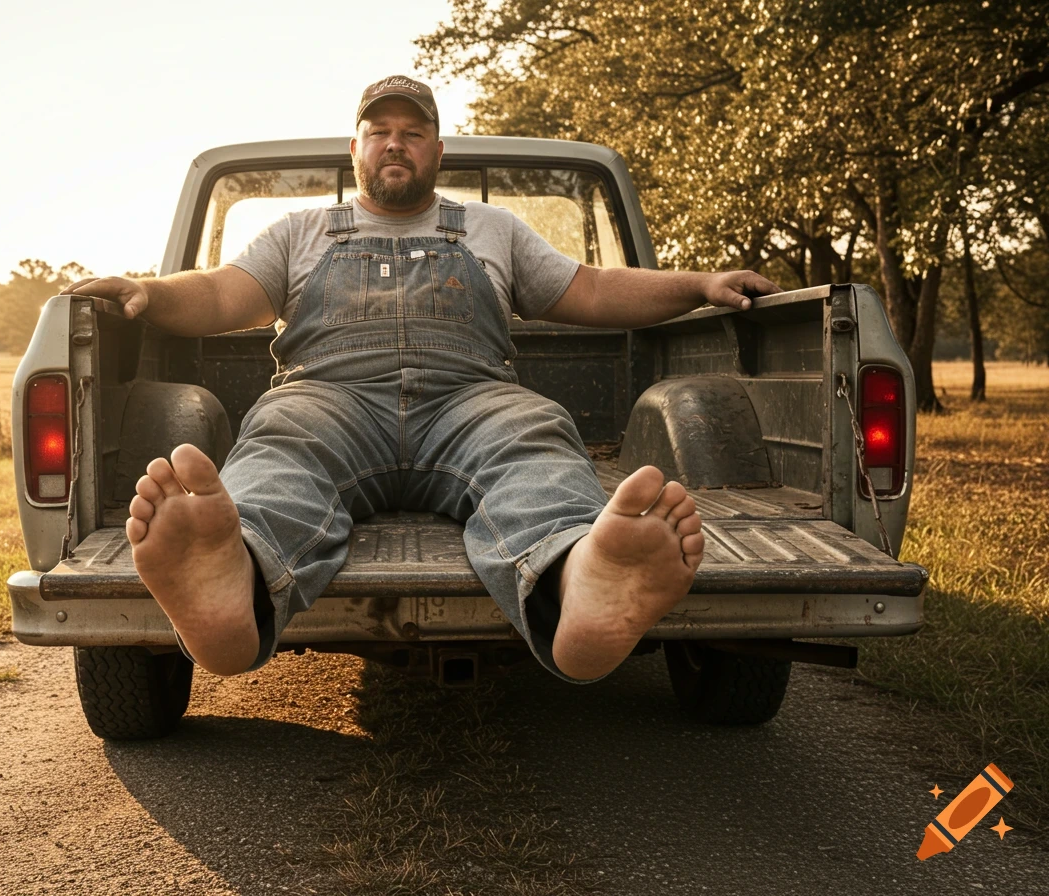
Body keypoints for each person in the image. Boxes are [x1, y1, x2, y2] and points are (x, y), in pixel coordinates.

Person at [60, 75, 781, 684]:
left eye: (412, 131)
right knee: (279, 448)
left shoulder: (492, 229)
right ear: (356, 149)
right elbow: (220, 294)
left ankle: (579, 573)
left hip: (470, 400)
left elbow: (592, 289)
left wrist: (698, 283)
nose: (395, 142)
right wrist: (150, 294)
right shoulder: (299, 232)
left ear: (438, 150)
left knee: (533, 439)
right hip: (329, 400)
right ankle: (231, 576)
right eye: (379, 131)